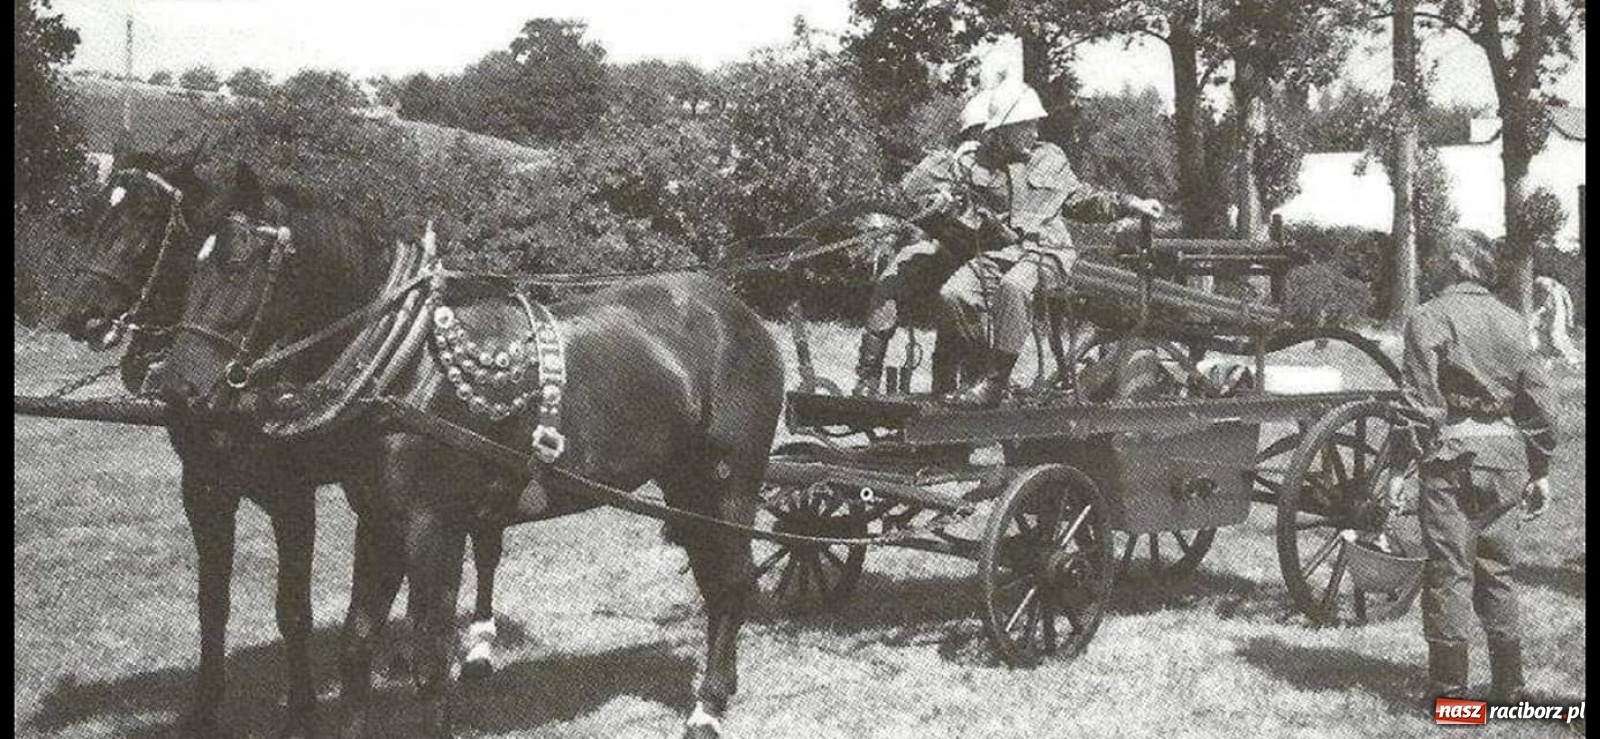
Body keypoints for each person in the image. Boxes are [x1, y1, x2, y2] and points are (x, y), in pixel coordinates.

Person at [1398, 229, 1559, 707]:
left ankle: (1453, 702)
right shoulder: (1513, 321)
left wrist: (1396, 468)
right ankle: (1511, 690)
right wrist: (1540, 467)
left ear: (1454, 263)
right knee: (1498, 572)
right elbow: (1542, 405)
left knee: (1449, 574)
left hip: (1452, 459)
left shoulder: (1428, 318)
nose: (1427, 267)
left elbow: (1420, 407)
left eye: (1432, 259)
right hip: (1507, 460)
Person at [935, 82, 1164, 408]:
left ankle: (995, 384)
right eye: (1026, 125)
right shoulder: (979, 164)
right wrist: (948, 203)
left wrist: (1130, 203)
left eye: (1035, 123)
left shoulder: (1050, 158)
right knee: (954, 294)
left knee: (1013, 288)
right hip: (1003, 253)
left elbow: (1083, 199)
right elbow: (959, 204)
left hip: (1049, 252)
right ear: (1004, 130)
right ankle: (983, 375)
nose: (1034, 130)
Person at [852, 90, 993, 396]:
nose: (976, 140)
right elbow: (906, 196)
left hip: (985, 257)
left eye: (982, 133)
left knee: (956, 299)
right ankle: (867, 376)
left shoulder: (1009, 170)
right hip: (942, 248)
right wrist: (936, 194)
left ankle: (963, 387)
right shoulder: (942, 162)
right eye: (972, 133)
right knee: (892, 279)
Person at [1530, 275, 1582, 370]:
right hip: (1550, 318)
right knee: (1544, 337)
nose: (1545, 289)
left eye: (1545, 286)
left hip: (1558, 319)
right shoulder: (1549, 293)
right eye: (1543, 287)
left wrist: (1569, 319)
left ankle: (1573, 360)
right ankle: (1548, 362)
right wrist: (1538, 314)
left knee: (1558, 339)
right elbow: (1547, 306)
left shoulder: (1559, 290)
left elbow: (1568, 305)